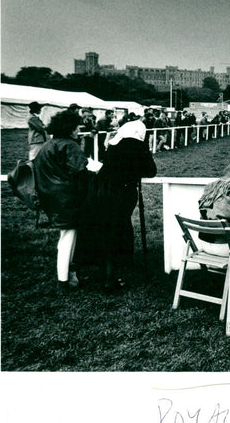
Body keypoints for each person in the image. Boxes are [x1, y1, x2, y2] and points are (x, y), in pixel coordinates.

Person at [92, 119, 157, 292]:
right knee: (118, 230)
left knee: (108, 230)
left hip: (102, 191)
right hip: (123, 193)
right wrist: (147, 150)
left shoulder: (115, 144)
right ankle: (112, 276)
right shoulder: (137, 146)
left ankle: (109, 270)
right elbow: (151, 171)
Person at [33, 109, 92, 291]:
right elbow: (81, 170)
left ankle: (67, 272)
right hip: (67, 196)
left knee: (65, 236)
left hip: (49, 195)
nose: (78, 130)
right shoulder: (69, 145)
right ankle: (64, 279)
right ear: (69, 128)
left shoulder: (48, 145)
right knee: (68, 236)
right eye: (76, 127)